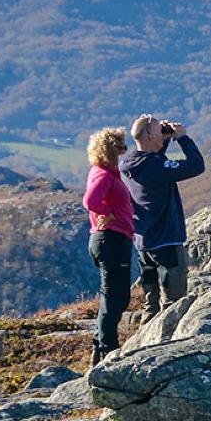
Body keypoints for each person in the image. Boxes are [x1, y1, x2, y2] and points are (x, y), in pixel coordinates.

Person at [123, 114, 205, 319]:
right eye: (159, 131)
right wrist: (183, 138)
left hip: (144, 241)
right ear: (151, 136)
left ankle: (146, 340)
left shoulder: (131, 162)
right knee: (174, 304)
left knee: (151, 305)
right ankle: (167, 344)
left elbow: (154, 159)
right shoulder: (155, 168)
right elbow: (196, 166)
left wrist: (165, 137)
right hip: (166, 239)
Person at [82, 128, 135, 365]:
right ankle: (108, 349)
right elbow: (90, 201)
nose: (125, 150)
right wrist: (110, 213)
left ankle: (99, 347)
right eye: (120, 147)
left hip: (107, 239)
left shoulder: (103, 173)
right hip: (111, 239)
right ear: (110, 150)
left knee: (113, 295)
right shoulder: (104, 175)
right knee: (116, 296)